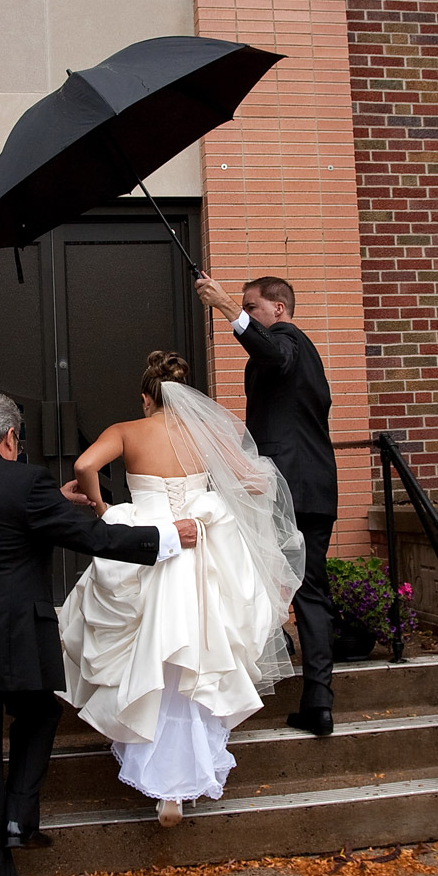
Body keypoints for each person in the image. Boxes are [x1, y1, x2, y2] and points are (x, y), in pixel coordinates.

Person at [0, 391, 198, 876]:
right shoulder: (25, 483)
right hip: (15, 645)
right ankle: (19, 813)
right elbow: (90, 535)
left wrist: (52, 501)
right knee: (39, 712)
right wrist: (164, 538)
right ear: (11, 437)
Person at [58, 351, 302, 826]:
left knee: (148, 652)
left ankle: (159, 776)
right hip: (199, 543)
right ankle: (185, 779)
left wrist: (102, 507)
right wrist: (214, 499)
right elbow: (254, 480)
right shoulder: (206, 433)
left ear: (146, 397)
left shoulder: (127, 430)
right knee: (201, 653)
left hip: (146, 543)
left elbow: (85, 462)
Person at [194, 274, 340, 736]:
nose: (249, 312)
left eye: (252, 307)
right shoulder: (300, 357)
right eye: (244, 307)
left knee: (293, 583)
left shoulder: (287, 340)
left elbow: (273, 354)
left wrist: (224, 308)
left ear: (278, 308)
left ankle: (310, 691)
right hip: (313, 486)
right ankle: (310, 689)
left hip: (289, 489)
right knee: (285, 578)